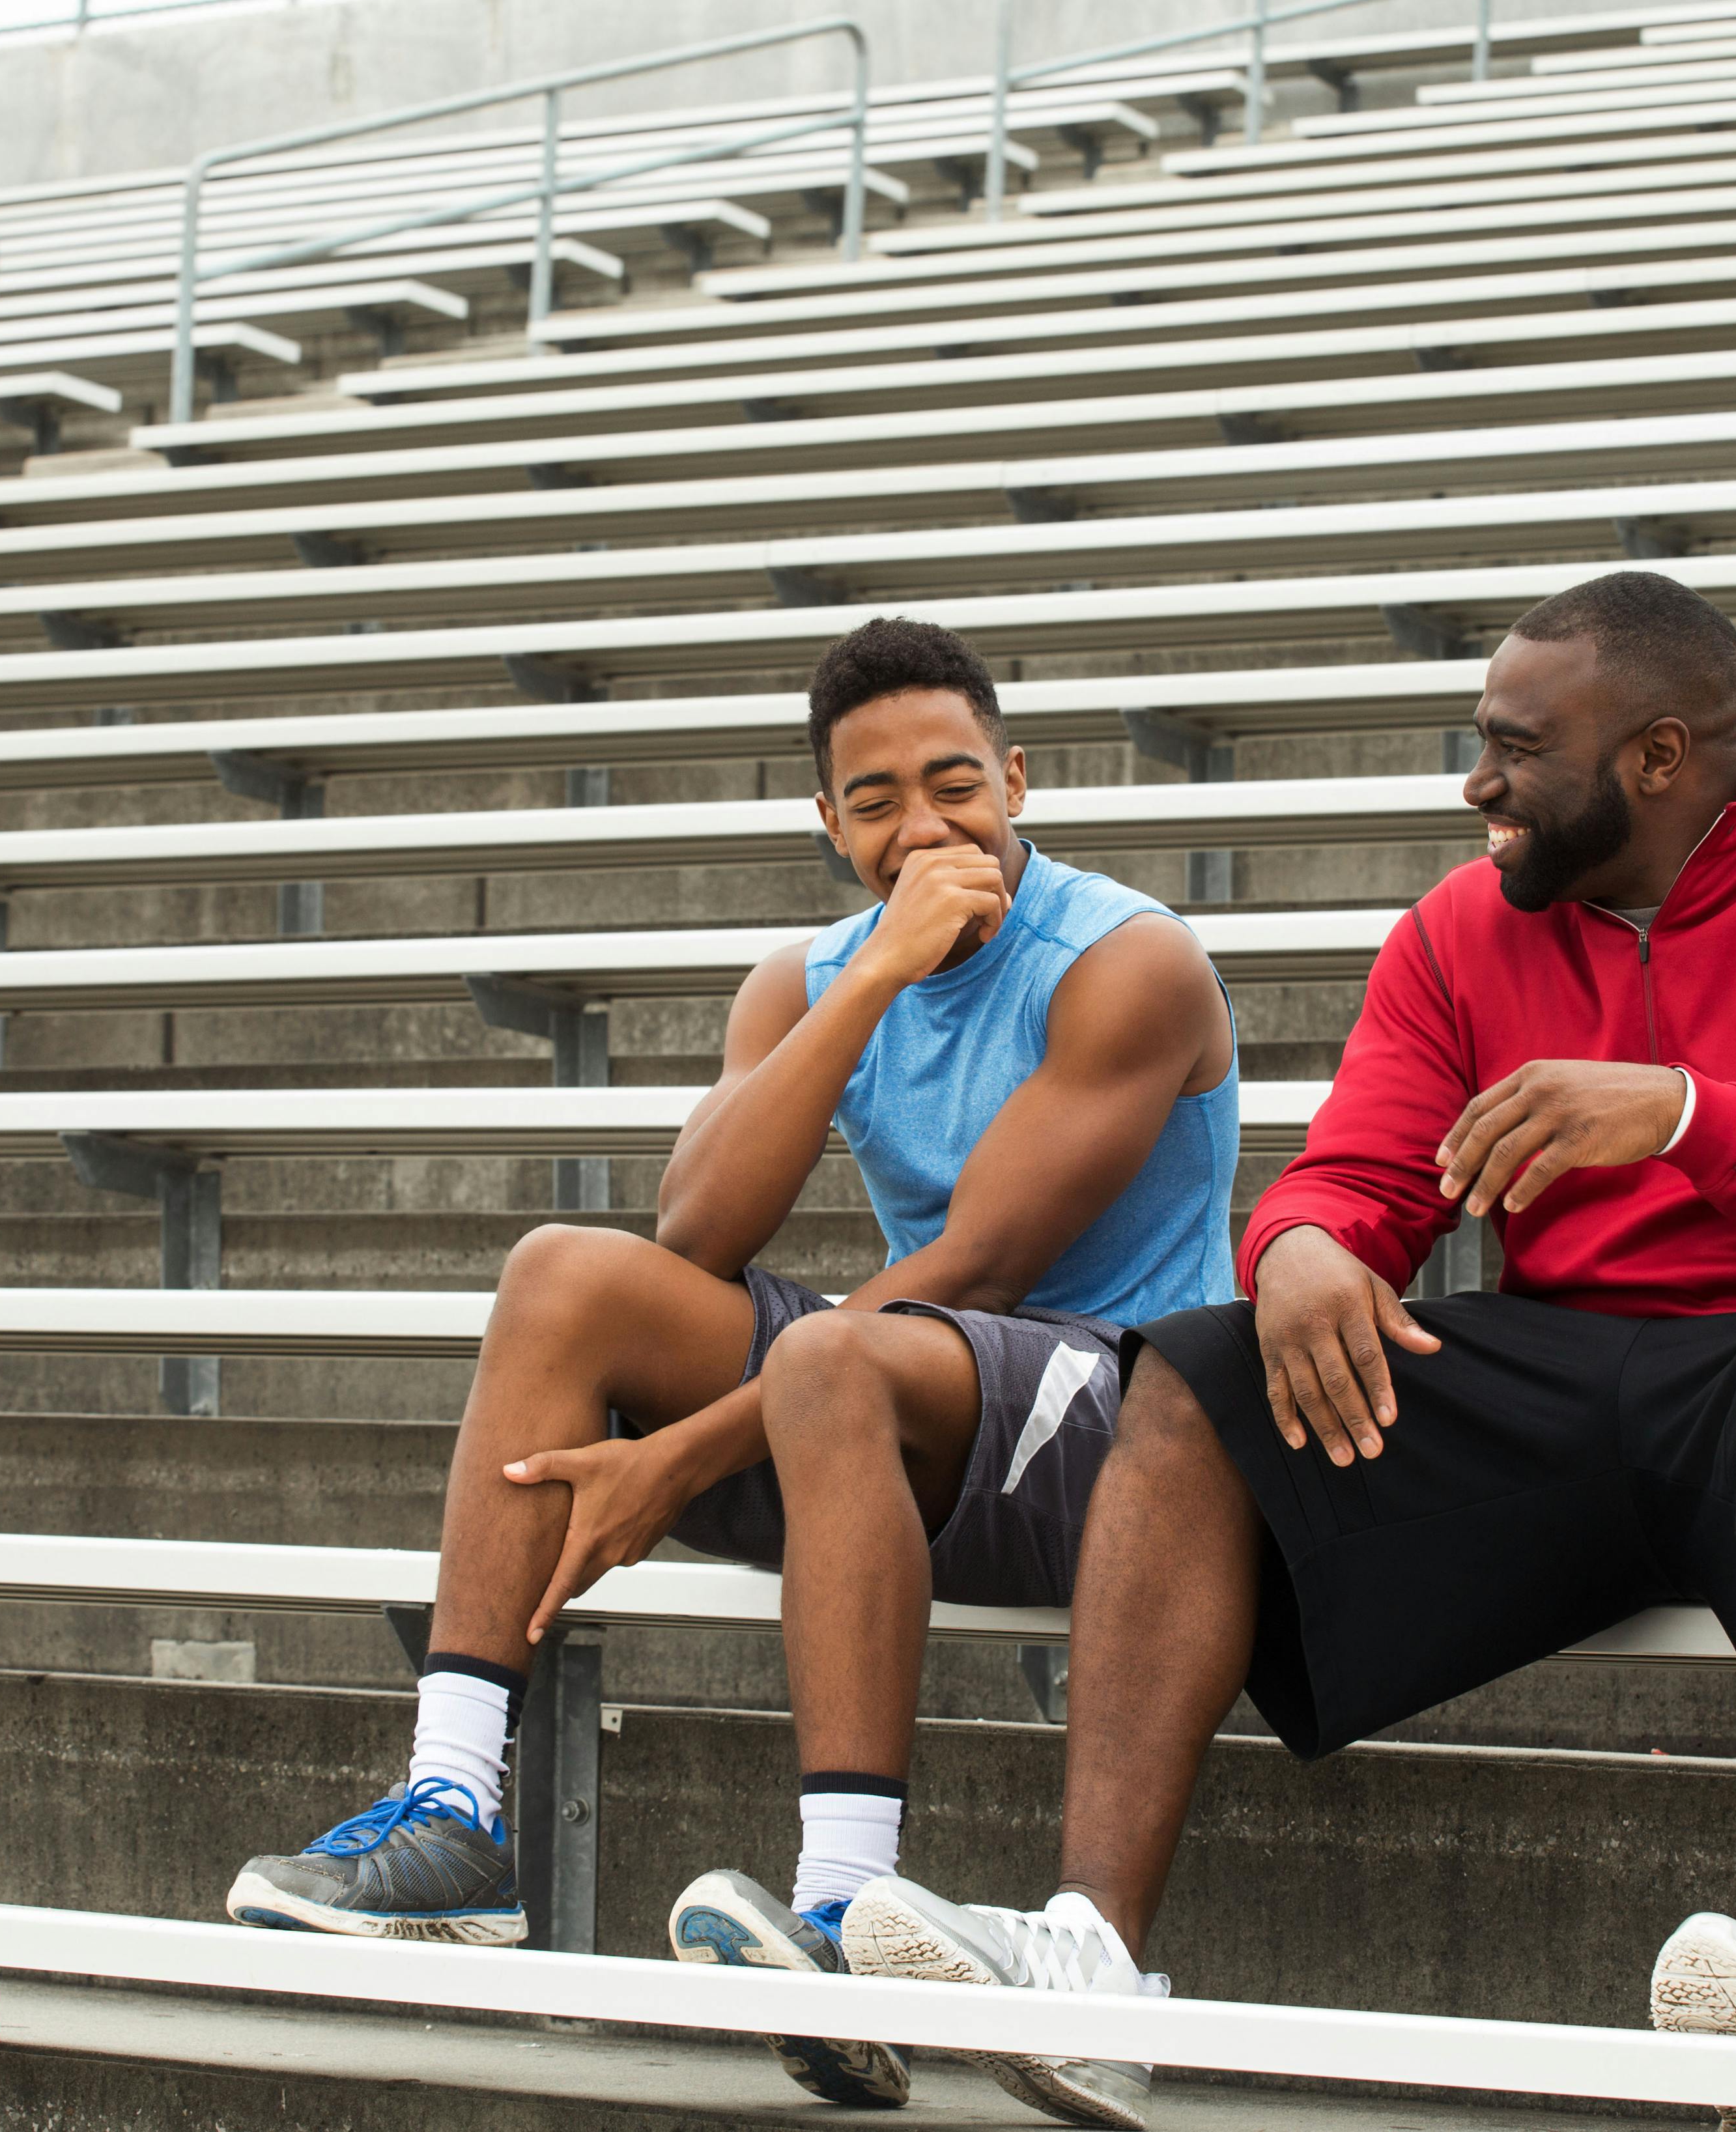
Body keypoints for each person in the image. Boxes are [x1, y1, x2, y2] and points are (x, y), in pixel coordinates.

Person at [838, 569, 1736, 2131]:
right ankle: (1089, 1961)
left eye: (1514, 749)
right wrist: (1296, 1254)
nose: (1478, 783)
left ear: (1658, 756)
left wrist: (1687, 1114)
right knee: (1197, 1372)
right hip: (1592, 1368)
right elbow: (1354, 1179)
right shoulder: (1463, 926)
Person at [226, 616, 1240, 2111]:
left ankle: (841, 1908)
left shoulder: (1128, 961)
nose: (925, 824)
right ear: (830, 827)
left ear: (1018, 781)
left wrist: (686, 1453)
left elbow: (982, 1272)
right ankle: (454, 1812)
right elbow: (696, 1225)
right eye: (877, 800)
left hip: (1132, 1431)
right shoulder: (816, 976)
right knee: (564, 1279)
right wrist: (871, 980)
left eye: (956, 784)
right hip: (904, 1400)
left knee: (838, 1353)